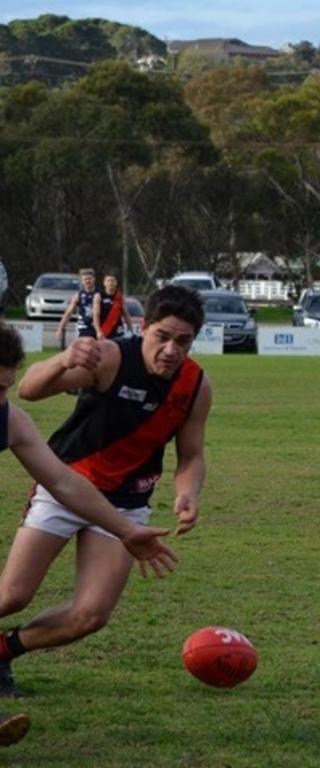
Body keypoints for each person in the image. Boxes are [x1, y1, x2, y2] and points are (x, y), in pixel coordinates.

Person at [0, 286, 211, 699]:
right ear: (144, 327)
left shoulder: (196, 386)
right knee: (12, 595)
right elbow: (29, 390)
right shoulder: (111, 357)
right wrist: (64, 359)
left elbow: (191, 455)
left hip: (127, 503)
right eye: (162, 337)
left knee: (90, 615)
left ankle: (3, 650)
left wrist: (188, 492)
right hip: (64, 486)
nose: (171, 350)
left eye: (183, 341)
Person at [56, 268, 98, 345]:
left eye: (89, 279)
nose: (88, 281)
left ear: (94, 279)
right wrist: (60, 328)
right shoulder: (78, 296)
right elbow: (68, 313)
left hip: (98, 327)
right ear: (82, 281)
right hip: (84, 328)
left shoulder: (100, 294)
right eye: (85, 279)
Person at [92, 273, 133, 340]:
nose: (111, 283)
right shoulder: (99, 296)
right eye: (108, 280)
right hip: (104, 332)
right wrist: (98, 331)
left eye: (113, 281)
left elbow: (126, 314)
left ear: (116, 283)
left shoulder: (119, 297)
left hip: (118, 332)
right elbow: (96, 315)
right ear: (104, 283)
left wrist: (130, 329)